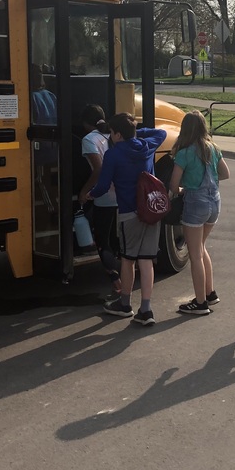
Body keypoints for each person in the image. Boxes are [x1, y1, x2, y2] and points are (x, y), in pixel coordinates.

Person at [82, 113, 167, 327]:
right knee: (146, 259)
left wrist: (89, 194)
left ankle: (125, 304)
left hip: (129, 212)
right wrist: (137, 132)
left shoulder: (113, 154)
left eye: (112, 132)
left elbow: (102, 186)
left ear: (118, 134)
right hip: (151, 210)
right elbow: (162, 132)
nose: (110, 136)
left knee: (128, 259)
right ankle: (146, 309)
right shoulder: (148, 145)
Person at [170, 111, 231, 316]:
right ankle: (210, 292)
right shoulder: (213, 148)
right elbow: (225, 173)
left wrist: (182, 189)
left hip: (195, 203)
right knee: (201, 247)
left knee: (194, 254)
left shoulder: (185, 152)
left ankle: (200, 302)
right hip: (215, 201)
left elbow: (173, 183)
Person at [78, 104, 122, 300]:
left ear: (86, 123)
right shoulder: (112, 135)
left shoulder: (89, 139)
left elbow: (98, 170)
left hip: (103, 196)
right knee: (114, 239)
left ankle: (117, 284)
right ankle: (124, 279)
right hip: (120, 193)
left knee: (102, 242)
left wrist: (84, 191)